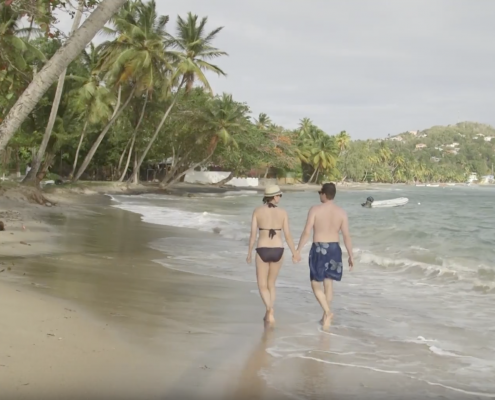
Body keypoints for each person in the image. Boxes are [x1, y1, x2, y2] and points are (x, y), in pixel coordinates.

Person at [295, 182, 354, 329]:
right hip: (334, 249)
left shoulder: (315, 209)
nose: (319, 195)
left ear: (324, 194)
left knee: (315, 283)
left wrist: (298, 250)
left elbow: (307, 232)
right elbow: (346, 236)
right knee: (328, 284)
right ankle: (325, 317)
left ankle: (327, 312)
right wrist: (351, 255)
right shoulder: (342, 212)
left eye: (319, 192)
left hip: (319, 248)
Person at [247, 185, 298, 324]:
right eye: (279, 195)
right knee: (271, 284)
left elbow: (253, 235)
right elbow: (288, 235)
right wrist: (294, 253)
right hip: (278, 250)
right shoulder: (283, 213)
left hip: (262, 249)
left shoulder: (257, 211)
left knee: (262, 285)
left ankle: (269, 309)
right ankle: (269, 311)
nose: (280, 197)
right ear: (275, 197)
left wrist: (249, 252)